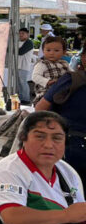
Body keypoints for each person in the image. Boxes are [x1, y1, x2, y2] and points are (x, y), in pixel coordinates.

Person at [0, 112, 86, 224]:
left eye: (57, 138)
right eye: (40, 136)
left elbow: (79, 214)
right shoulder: (8, 171)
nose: (48, 145)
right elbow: (13, 218)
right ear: (23, 138)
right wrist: (67, 215)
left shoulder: (67, 172)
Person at [35, 49, 86, 184]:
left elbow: (40, 109)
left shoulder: (71, 79)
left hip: (72, 145)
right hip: (73, 143)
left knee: (68, 190)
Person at [31, 36, 69, 105]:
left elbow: (71, 74)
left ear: (64, 52)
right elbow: (35, 77)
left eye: (56, 50)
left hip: (62, 93)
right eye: (48, 50)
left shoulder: (65, 63)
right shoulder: (42, 64)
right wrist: (47, 82)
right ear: (43, 51)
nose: (51, 53)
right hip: (45, 94)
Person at [18, 28, 35, 103]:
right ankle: (21, 98)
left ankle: (26, 99)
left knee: (23, 82)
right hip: (18, 65)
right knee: (19, 83)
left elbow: (20, 52)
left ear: (27, 34)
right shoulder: (18, 42)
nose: (21, 35)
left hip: (24, 66)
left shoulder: (29, 42)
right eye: (20, 33)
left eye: (23, 33)